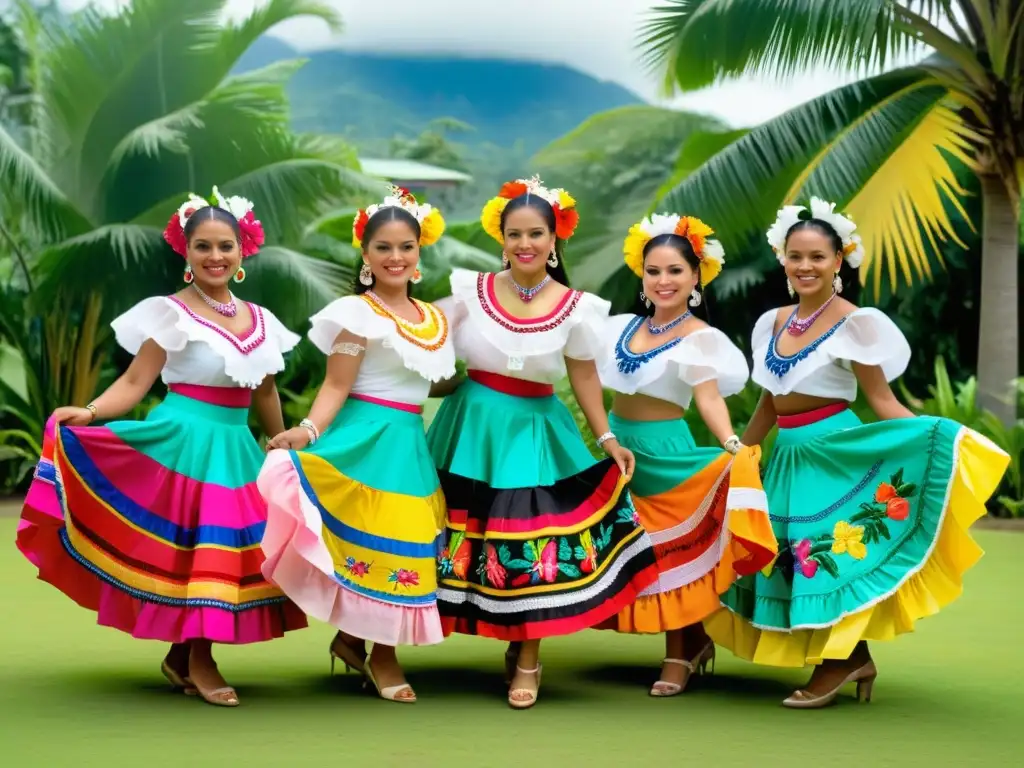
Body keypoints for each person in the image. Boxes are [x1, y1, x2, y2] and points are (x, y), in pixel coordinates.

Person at [704, 198, 1009, 708]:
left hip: (835, 453)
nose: (806, 266)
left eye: (818, 257)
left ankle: (840, 661)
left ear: (839, 261)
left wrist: (943, 444)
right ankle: (854, 657)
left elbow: (882, 399)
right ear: (782, 258)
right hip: (788, 456)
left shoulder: (857, 323)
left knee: (831, 555)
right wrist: (741, 452)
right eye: (796, 256)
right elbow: (768, 403)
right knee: (787, 556)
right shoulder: (770, 323)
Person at [16, 188, 307, 707]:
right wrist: (90, 412)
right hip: (181, 445)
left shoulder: (262, 321)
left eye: (225, 246)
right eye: (203, 246)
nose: (215, 256)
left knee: (225, 556)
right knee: (196, 555)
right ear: (186, 252)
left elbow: (263, 389)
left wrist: (278, 445)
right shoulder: (171, 314)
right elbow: (134, 382)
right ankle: (201, 660)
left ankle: (181, 656)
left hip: (234, 448)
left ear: (243, 251)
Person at [426, 176, 659, 709]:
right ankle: (376, 635)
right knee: (447, 532)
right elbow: (429, 352)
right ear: (500, 238)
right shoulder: (469, 293)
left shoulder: (577, 308)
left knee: (526, 539)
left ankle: (528, 659)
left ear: (555, 239)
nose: (525, 244)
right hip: (471, 422)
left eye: (536, 234)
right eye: (514, 234)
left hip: (534, 428)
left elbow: (582, 378)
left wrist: (606, 437)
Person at [257, 188, 454, 704]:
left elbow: (432, 382)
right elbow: (337, 387)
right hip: (364, 439)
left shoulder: (434, 317)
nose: (396, 257)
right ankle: (384, 657)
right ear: (365, 256)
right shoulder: (356, 314)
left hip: (409, 443)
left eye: (406, 246)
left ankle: (351, 640)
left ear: (419, 252)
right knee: (383, 541)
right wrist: (308, 431)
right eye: (383, 247)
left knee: (400, 545)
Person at [596, 213, 777, 696]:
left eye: (675, 270)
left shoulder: (700, 337)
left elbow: (709, 398)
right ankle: (694, 642)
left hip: (665, 454)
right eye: (653, 271)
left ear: (696, 277)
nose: (663, 280)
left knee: (671, 552)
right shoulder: (617, 327)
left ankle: (680, 653)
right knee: (630, 547)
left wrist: (730, 444)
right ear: (642, 276)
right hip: (618, 450)